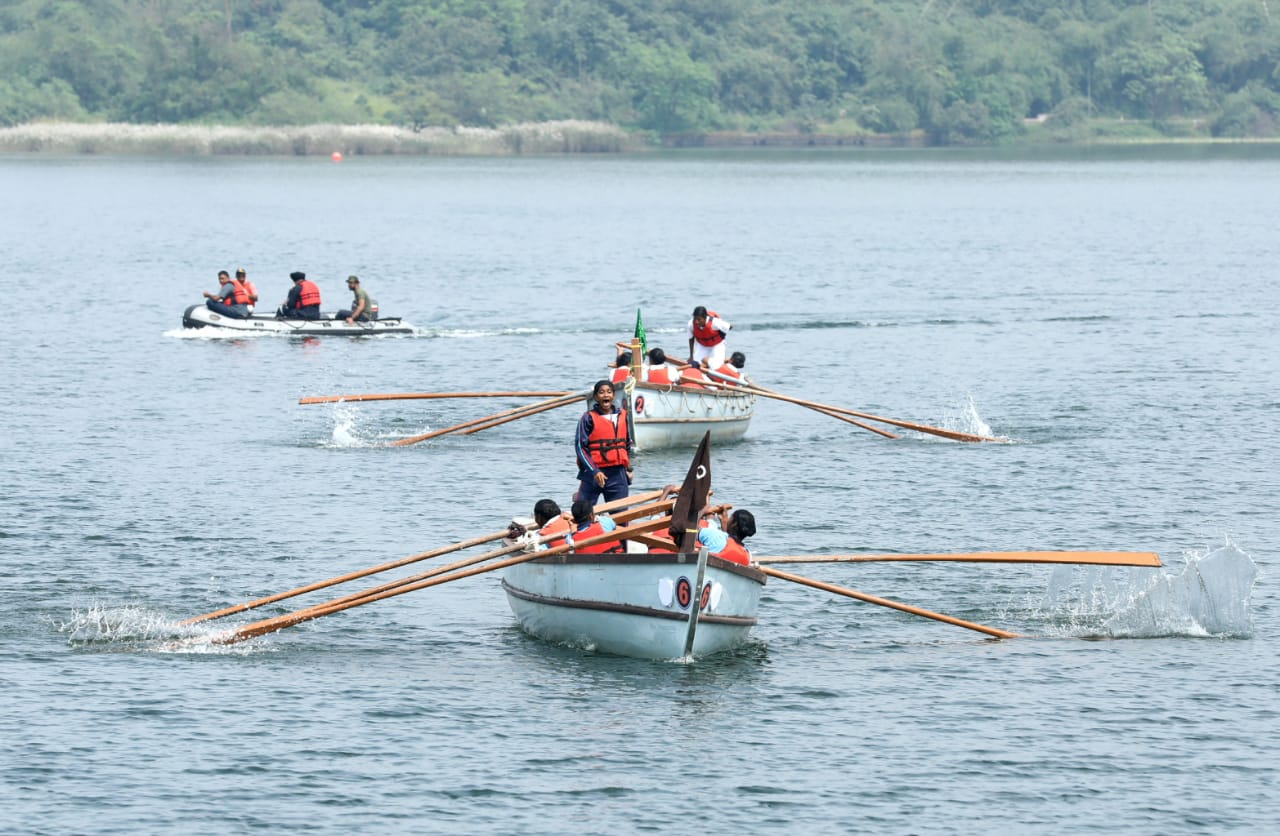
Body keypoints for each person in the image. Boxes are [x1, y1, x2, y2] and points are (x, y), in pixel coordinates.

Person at [574, 379, 632, 505]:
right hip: (593, 473)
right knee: (583, 510)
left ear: (614, 395)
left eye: (609, 392)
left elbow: (626, 443)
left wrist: (628, 469)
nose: (606, 395)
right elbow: (580, 448)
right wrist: (594, 470)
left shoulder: (622, 416)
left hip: (618, 474)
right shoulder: (587, 418)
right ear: (595, 397)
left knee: (620, 513)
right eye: (601, 392)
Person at [505, 498, 573, 552]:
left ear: (539, 517)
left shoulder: (542, 534)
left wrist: (515, 538)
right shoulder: (570, 517)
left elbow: (526, 547)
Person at [687, 305, 732, 369]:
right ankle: (705, 367)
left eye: (699, 319)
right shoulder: (691, 324)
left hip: (717, 344)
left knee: (717, 366)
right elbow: (691, 339)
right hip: (702, 345)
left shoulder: (715, 322)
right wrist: (691, 356)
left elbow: (730, 327)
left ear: (705, 318)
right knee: (696, 363)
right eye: (695, 319)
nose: (696, 322)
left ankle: (725, 361)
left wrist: (721, 332)